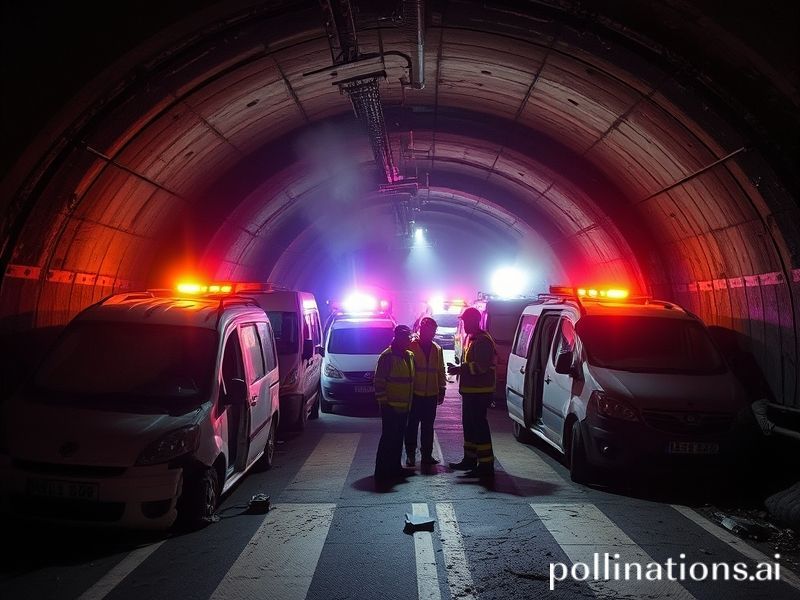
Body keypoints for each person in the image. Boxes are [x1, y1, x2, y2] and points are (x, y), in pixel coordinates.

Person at [446, 307, 498, 478]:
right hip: (471, 392)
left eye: (465, 321)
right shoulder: (473, 338)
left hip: (479, 393)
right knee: (469, 427)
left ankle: (485, 465)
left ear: (474, 321)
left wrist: (459, 369)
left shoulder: (483, 341)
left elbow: (481, 366)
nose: (464, 324)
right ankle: (469, 459)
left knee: (479, 428)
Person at [374, 324, 416, 482]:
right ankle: (382, 471)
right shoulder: (387, 356)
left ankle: (395, 468)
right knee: (388, 439)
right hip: (390, 407)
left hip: (405, 406)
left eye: (409, 338)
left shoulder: (409, 356)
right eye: (406, 338)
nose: (408, 341)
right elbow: (379, 382)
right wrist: (384, 403)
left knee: (398, 439)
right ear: (397, 338)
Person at [405, 317, 447, 466]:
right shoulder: (411, 346)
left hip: (431, 394)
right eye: (428, 330)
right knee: (412, 425)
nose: (431, 334)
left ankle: (427, 456)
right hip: (415, 394)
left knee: (428, 426)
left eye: (433, 331)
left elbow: (440, 369)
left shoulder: (437, 348)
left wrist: (442, 388)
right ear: (421, 330)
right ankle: (410, 455)